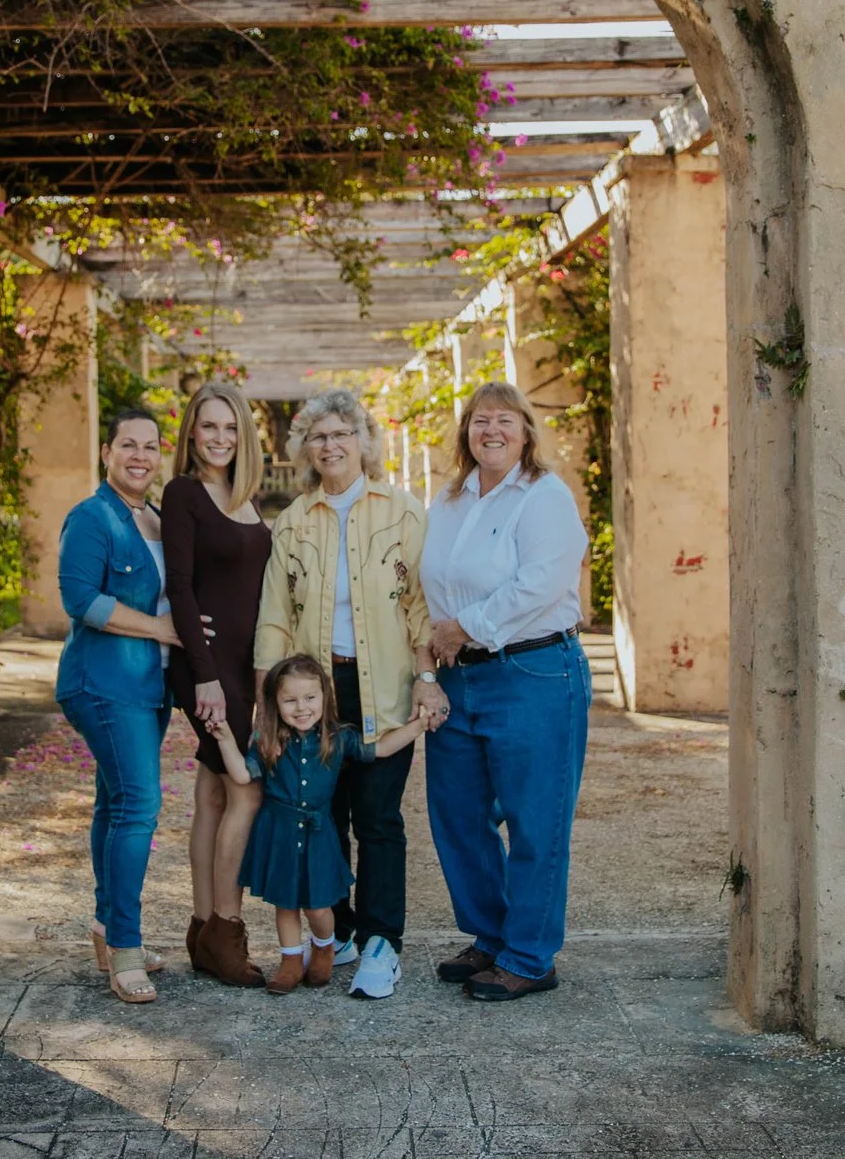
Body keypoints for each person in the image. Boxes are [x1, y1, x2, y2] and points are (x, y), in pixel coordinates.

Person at [253, 388, 449, 1000]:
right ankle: (335, 932)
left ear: (364, 441)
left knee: (379, 818)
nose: (330, 445)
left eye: (342, 433)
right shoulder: (293, 521)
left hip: (385, 683)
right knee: (322, 815)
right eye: (318, 436)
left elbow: (420, 604)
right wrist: (266, 705)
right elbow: (275, 615)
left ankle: (381, 942)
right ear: (305, 449)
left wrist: (427, 677)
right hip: (315, 696)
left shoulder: (403, 512)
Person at [419, 382, 592, 1002]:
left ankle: (530, 956)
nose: (491, 430)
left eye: (504, 420)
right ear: (465, 431)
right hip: (459, 676)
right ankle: (491, 937)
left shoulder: (545, 497)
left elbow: (541, 584)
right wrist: (433, 655)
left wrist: (464, 627)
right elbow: (430, 583)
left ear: (525, 432)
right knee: (458, 814)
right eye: (479, 420)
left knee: (535, 818)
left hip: (534, 672)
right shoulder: (449, 500)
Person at [54, 407, 184, 1004]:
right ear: (107, 452)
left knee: (115, 802)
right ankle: (126, 949)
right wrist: (160, 630)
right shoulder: (91, 517)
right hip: (103, 683)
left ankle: (108, 928)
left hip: (148, 687)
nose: (140, 456)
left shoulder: (157, 519)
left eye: (150, 446)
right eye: (127, 445)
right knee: (139, 805)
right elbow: (81, 600)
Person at [210, 655, 432, 994]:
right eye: (290, 700)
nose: (302, 708)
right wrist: (225, 738)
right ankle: (289, 963)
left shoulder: (337, 738)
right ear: (275, 703)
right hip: (280, 833)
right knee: (285, 903)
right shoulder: (268, 741)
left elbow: (381, 749)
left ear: (324, 698)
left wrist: (417, 727)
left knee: (317, 906)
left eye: (310, 698)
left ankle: (325, 947)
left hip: (318, 835)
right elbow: (242, 775)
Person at [161, 382, 272, 987]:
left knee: (212, 795)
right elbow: (180, 585)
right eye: (209, 426)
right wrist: (203, 675)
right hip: (207, 668)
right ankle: (227, 930)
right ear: (192, 432)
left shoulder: (246, 497)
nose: (220, 438)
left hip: (245, 665)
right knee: (245, 791)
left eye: (230, 428)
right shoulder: (184, 493)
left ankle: (202, 929)